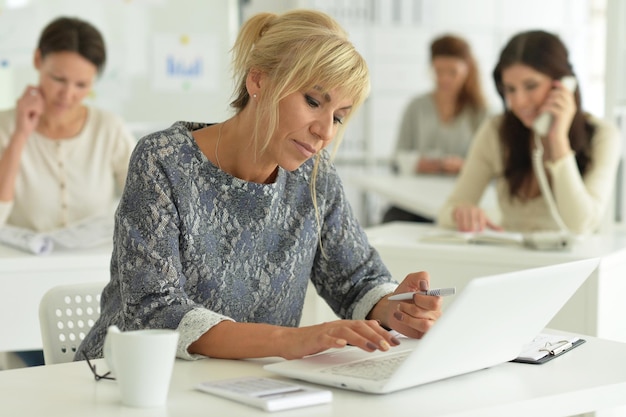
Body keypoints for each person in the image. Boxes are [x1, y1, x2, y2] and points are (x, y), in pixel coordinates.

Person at [76, 9, 442, 362]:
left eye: (338, 116)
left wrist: (398, 308)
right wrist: (290, 340)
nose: (325, 131)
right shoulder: (163, 160)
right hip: (129, 382)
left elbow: (356, 281)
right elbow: (155, 311)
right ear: (258, 81)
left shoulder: (316, 177)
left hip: (244, 389)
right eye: (313, 101)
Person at [0, 17, 136, 366]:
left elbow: (146, 198)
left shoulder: (108, 128)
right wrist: (18, 137)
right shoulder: (4, 126)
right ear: (36, 62)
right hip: (21, 291)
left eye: (81, 84)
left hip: (92, 288)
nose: (67, 94)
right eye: (58, 79)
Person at [437, 30, 621, 234]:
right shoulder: (496, 130)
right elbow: (447, 211)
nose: (518, 102)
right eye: (510, 89)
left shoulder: (604, 136)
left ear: (563, 86)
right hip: (511, 262)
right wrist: (461, 213)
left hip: (575, 263)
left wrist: (557, 140)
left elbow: (581, 224)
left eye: (531, 86)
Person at [383, 34, 487, 223]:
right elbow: (397, 159)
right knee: (392, 218)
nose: (444, 79)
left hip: (462, 203)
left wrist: (464, 167)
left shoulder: (481, 113)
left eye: (452, 72)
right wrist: (429, 165)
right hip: (415, 201)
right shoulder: (416, 107)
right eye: (438, 71)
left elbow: (491, 167)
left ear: (467, 71)